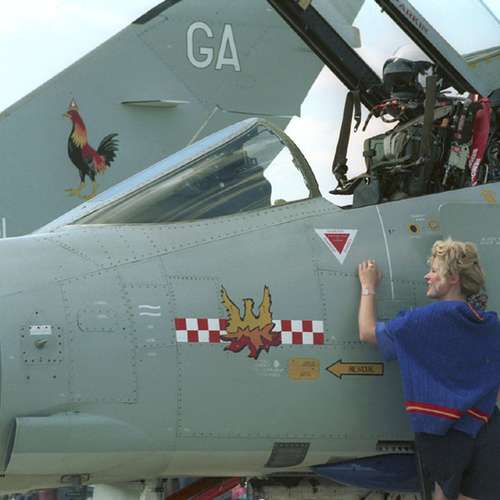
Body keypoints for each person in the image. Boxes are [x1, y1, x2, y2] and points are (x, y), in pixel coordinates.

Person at [358, 238, 500, 500]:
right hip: (487, 429)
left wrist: (368, 287)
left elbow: (367, 332)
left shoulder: (420, 323)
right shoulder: (489, 324)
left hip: (442, 438)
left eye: (434, 271)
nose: (427, 276)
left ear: (453, 278)